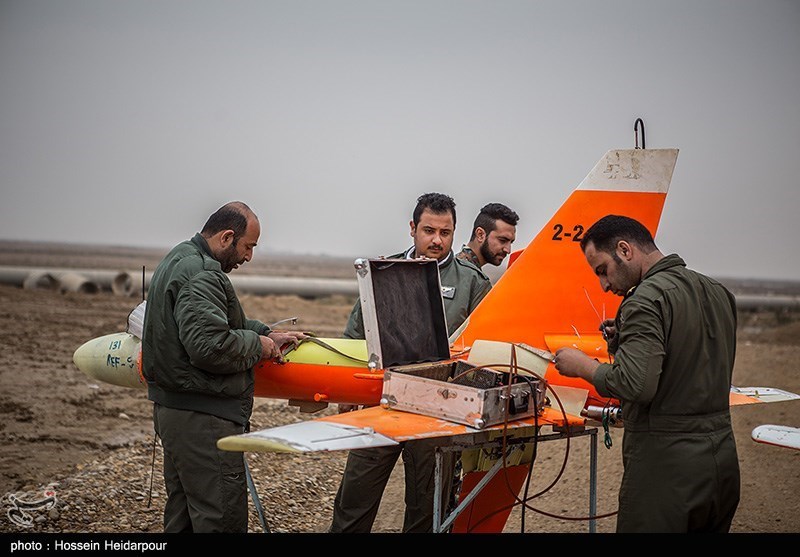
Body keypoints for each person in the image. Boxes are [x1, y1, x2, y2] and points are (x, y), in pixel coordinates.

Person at [552, 214, 740, 533]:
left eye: (603, 271)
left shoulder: (646, 300)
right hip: (721, 462)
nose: (604, 285)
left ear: (625, 250)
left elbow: (635, 385)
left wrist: (582, 365)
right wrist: (624, 341)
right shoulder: (717, 292)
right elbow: (687, 361)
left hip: (667, 471)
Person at [330, 192, 492, 533]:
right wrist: (345, 389)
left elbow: (481, 353)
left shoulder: (472, 283)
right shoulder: (381, 271)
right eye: (428, 230)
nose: (436, 240)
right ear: (412, 228)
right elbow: (355, 337)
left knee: (426, 509)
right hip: (379, 405)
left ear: (454, 233)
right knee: (354, 501)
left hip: (436, 413)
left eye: (445, 233)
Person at [141, 201, 305, 533]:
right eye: (248, 247)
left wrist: (265, 332)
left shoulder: (180, 258)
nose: (248, 257)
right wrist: (259, 347)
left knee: (184, 516)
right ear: (227, 237)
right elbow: (209, 345)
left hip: (177, 414)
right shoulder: (202, 273)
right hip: (204, 421)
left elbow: (221, 322)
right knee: (220, 521)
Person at [456, 202, 519, 268]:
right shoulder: (463, 271)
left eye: (511, 242)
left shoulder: (465, 269)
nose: (508, 250)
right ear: (480, 235)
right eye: (502, 240)